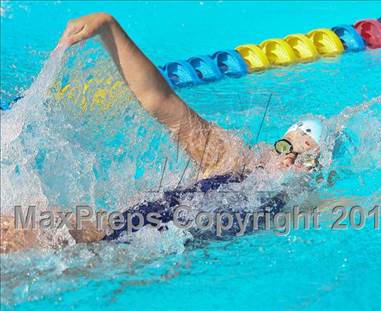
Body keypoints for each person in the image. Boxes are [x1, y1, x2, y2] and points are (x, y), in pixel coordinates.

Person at [0, 13, 324, 253]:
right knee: (24, 230)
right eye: (287, 147)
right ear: (271, 146)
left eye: (306, 160)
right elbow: (160, 100)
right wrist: (109, 28)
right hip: (114, 233)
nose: (291, 159)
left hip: (128, 258)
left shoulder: (295, 208)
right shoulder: (228, 157)